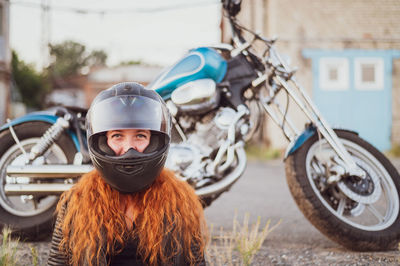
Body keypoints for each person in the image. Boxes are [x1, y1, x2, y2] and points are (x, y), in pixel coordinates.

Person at [47, 82, 207, 266]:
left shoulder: (180, 201)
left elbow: (197, 263)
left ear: (155, 140)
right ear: (102, 141)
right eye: (117, 136)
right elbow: (57, 263)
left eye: (140, 135)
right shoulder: (78, 200)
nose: (129, 148)